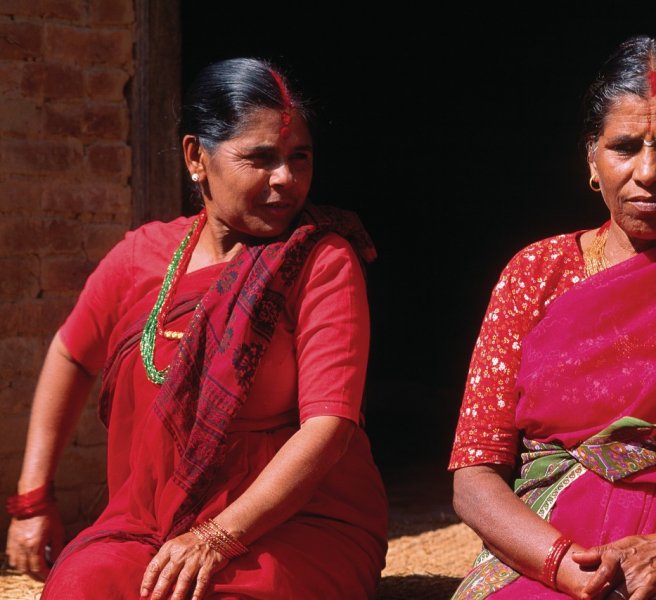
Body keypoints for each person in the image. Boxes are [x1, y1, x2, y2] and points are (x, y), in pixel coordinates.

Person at [4, 58, 388, 599]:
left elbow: (329, 428)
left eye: (299, 158)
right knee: (79, 586)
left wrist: (217, 535)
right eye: (260, 159)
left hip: (298, 522)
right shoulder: (142, 256)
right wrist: (32, 499)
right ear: (196, 158)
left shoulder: (322, 260)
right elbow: (70, 354)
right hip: (152, 521)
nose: (286, 179)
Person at [449, 36, 656, 600]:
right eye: (624, 146)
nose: (648, 171)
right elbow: (474, 478)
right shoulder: (537, 272)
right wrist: (570, 568)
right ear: (591, 156)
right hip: (547, 553)